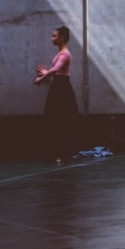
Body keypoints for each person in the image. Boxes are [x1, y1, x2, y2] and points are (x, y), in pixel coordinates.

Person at [33, 26, 79, 164]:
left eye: (54, 36)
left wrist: (41, 79)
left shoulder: (65, 54)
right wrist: (46, 72)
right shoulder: (61, 53)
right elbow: (57, 70)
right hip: (58, 86)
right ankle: (57, 152)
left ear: (62, 38)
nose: (52, 39)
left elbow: (56, 69)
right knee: (55, 119)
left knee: (61, 119)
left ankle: (62, 153)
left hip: (62, 88)